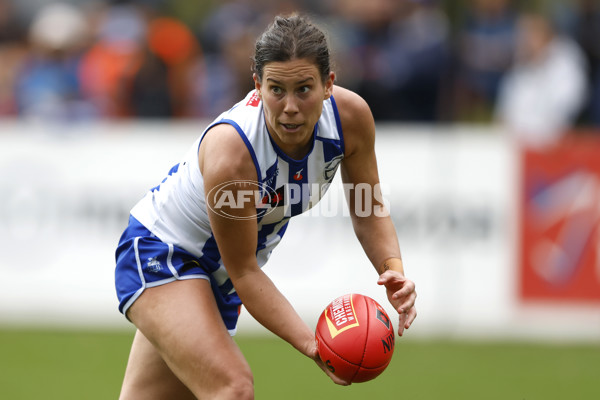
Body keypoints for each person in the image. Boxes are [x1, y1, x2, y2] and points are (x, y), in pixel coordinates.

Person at [114, 14, 417, 399]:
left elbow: (368, 209)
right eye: (276, 89)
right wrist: (313, 345)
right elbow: (246, 272)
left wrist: (393, 270)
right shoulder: (233, 154)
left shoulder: (350, 119)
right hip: (163, 254)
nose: (289, 107)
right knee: (233, 387)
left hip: (217, 278)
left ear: (329, 84)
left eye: (304, 89)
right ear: (257, 85)